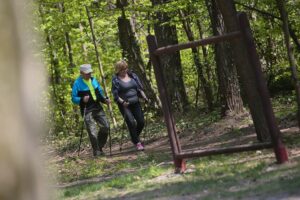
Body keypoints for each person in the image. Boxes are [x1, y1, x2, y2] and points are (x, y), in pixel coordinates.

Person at [72, 64, 111, 157]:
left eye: (90, 73)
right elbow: (73, 98)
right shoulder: (77, 83)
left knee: (106, 126)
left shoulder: (94, 80)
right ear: (81, 73)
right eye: (86, 73)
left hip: (97, 106)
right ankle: (96, 151)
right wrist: (81, 99)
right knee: (92, 131)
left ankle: (100, 147)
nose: (89, 74)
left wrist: (105, 100)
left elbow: (100, 93)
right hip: (86, 108)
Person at [112, 60, 149, 151]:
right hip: (125, 105)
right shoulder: (116, 80)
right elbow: (115, 95)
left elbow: (139, 89)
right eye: (122, 69)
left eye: (125, 68)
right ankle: (137, 142)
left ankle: (134, 138)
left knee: (141, 122)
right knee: (131, 122)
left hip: (135, 102)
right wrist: (123, 102)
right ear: (118, 70)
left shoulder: (133, 76)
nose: (125, 71)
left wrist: (145, 97)